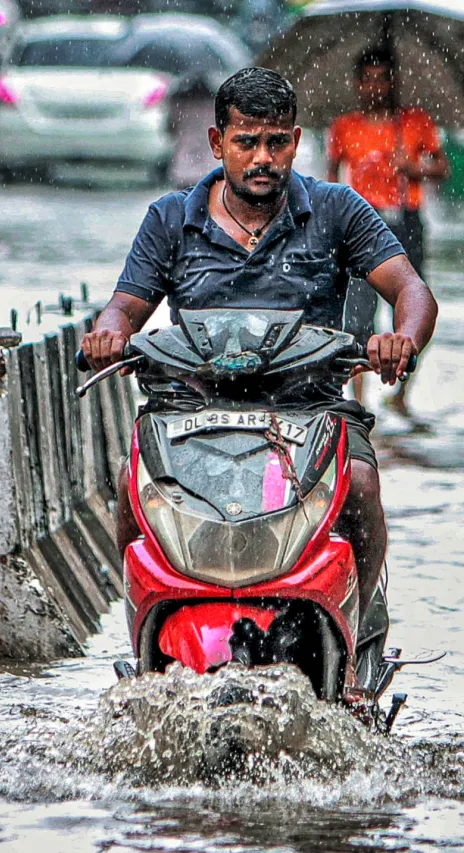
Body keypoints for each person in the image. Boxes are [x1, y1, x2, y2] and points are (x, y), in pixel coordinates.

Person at [81, 67, 437, 633]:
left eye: (276, 142)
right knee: (132, 483)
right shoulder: (171, 218)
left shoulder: (337, 210)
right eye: (247, 142)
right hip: (189, 412)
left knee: (364, 486)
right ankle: (145, 638)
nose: (262, 158)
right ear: (217, 142)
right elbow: (125, 307)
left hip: (312, 409)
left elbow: (410, 289)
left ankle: (357, 633)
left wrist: (402, 339)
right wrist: (109, 334)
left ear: (296, 141)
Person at [327, 47, 448, 415]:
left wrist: (413, 167)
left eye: (382, 78)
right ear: (357, 83)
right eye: (368, 79)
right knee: (358, 314)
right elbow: (332, 181)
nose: (375, 86)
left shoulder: (415, 122)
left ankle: (400, 394)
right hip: (362, 224)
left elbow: (441, 168)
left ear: (393, 82)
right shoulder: (344, 127)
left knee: (412, 305)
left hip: (405, 220)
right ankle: (359, 401)